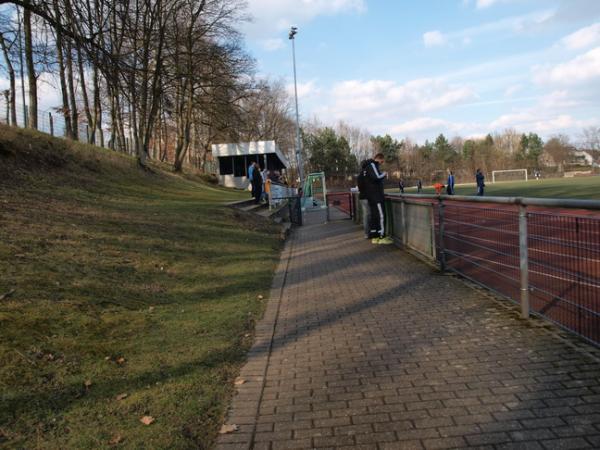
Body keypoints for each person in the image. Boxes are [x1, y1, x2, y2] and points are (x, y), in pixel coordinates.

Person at [363, 153, 393, 244]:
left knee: (375, 216)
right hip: (376, 196)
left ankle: (375, 237)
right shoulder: (372, 165)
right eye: (382, 161)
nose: (382, 163)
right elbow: (377, 177)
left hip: (372, 196)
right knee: (381, 216)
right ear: (380, 159)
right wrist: (384, 174)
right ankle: (382, 237)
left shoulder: (367, 167)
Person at [357, 160, 371, 239]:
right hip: (366, 197)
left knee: (366, 215)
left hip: (362, 197)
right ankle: (368, 233)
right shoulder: (366, 174)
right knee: (367, 215)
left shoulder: (360, 175)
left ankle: (367, 233)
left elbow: (360, 187)